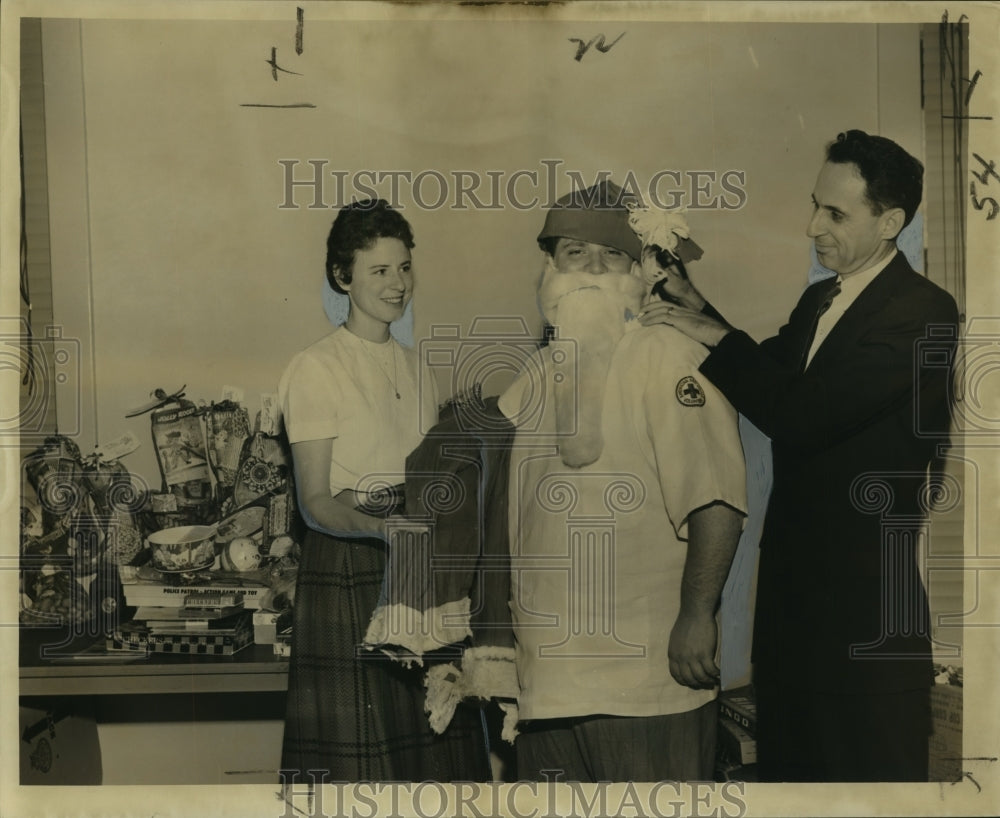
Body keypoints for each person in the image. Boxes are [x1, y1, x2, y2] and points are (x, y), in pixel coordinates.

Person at [641, 130, 960, 782]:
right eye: (816, 205)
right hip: (793, 634)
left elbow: (803, 413)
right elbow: (771, 372)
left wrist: (713, 335)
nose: (813, 225)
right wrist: (697, 306)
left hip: (868, 638)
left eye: (835, 213)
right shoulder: (821, 300)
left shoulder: (925, 312)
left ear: (890, 222)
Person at [498, 180, 748, 782]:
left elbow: (716, 500)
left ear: (640, 271)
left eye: (612, 255)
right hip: (548, 689)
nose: (591, 270)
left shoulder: (668, 355)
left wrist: (697, 615)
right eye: (573, 253)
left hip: (644, 685)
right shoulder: (534, 375)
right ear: (549, 268)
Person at [277, 199, 490, 783]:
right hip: (352, 564)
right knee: (362, 766)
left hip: (418, 567)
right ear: (342, 277)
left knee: (435, 755)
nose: (398, 285)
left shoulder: (418, 367)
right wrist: (382, 526)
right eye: (379, 271)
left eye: (404, 268)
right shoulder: (315, 368)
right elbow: (316, 504)